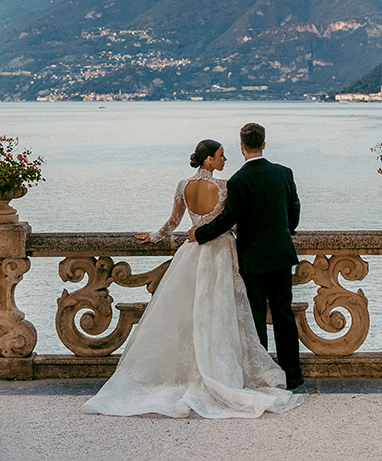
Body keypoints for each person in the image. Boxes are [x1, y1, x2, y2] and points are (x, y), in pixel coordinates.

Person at [82, 137, 303, 418]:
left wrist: (153, 236)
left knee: (192, 312)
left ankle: (195, 367)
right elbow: (233, 222)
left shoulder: (183, 186)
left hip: (192, 252)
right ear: (209, 159)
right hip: (224, 252)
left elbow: (173, 222)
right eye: (221, 155)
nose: (225, 160)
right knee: (229, 313)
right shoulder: (225, 186)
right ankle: (248, 371)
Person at [191, 122, 303, 391]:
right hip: (280, 253)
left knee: (255, 318)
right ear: (264, 143)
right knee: (283, 314)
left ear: (242, 147)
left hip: (252, 257)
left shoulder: (238, 180)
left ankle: (262, 374)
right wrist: (285, 231)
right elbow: (294, 211)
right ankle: (293, 375)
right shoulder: (284, 173)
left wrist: (200, 233)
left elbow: (229, 219)